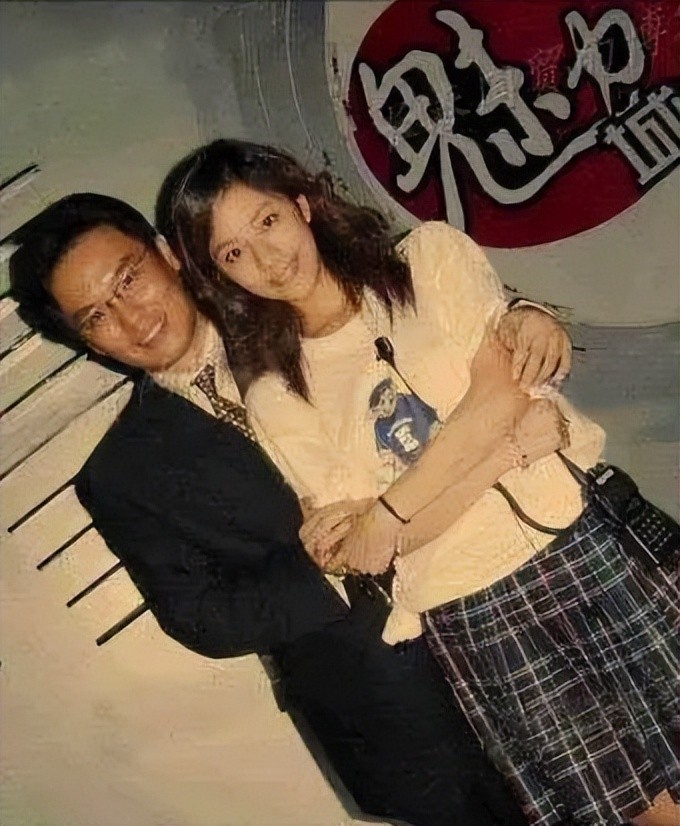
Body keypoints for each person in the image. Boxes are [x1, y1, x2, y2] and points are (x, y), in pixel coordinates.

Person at [161, 139, 679, 826]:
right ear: (220, 276)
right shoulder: (277, 396)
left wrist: (387, 507)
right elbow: (379, 549)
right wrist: (496, 459)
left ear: (302, 204)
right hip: (475, 612)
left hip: (579, 540)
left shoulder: (429, 260)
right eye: (232, 253)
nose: (266, 257)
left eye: (267, 221)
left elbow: (505, 396)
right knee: (644, 813)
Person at [8, 193, 534, 826]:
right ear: (84, 340)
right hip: (392, 713)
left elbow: (452, 328)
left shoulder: (304, 309)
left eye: (128, 279)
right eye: (96, 316)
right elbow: (202, 618)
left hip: (513, 599)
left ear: (167, 253)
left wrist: (527, 314)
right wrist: (331, 564)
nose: (131, 317)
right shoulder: (120, 477)